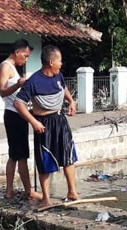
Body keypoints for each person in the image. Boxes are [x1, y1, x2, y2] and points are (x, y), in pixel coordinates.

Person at [13, 45, 78, 209]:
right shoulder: (34, 82)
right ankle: (46, 198)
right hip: (43, 124)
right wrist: (33, 122)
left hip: (60, 120)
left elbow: (63, 88)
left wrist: (71, 101)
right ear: (51, 62)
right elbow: (18, 103)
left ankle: (72, 192)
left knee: (68, 156)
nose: (61, 64)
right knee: (45, 162)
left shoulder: (58, 76)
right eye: (60, 61)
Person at [0, 39, 42, 201]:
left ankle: (16, 190)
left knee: (18, 155)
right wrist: (18, 84)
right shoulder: (5, 66)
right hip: (13, 114)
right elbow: (2, 92)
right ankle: (24, 191)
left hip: (19, 114)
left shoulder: (14, 69)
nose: (26, 59)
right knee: (19, 155)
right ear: (17, 52)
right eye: (25, 55)